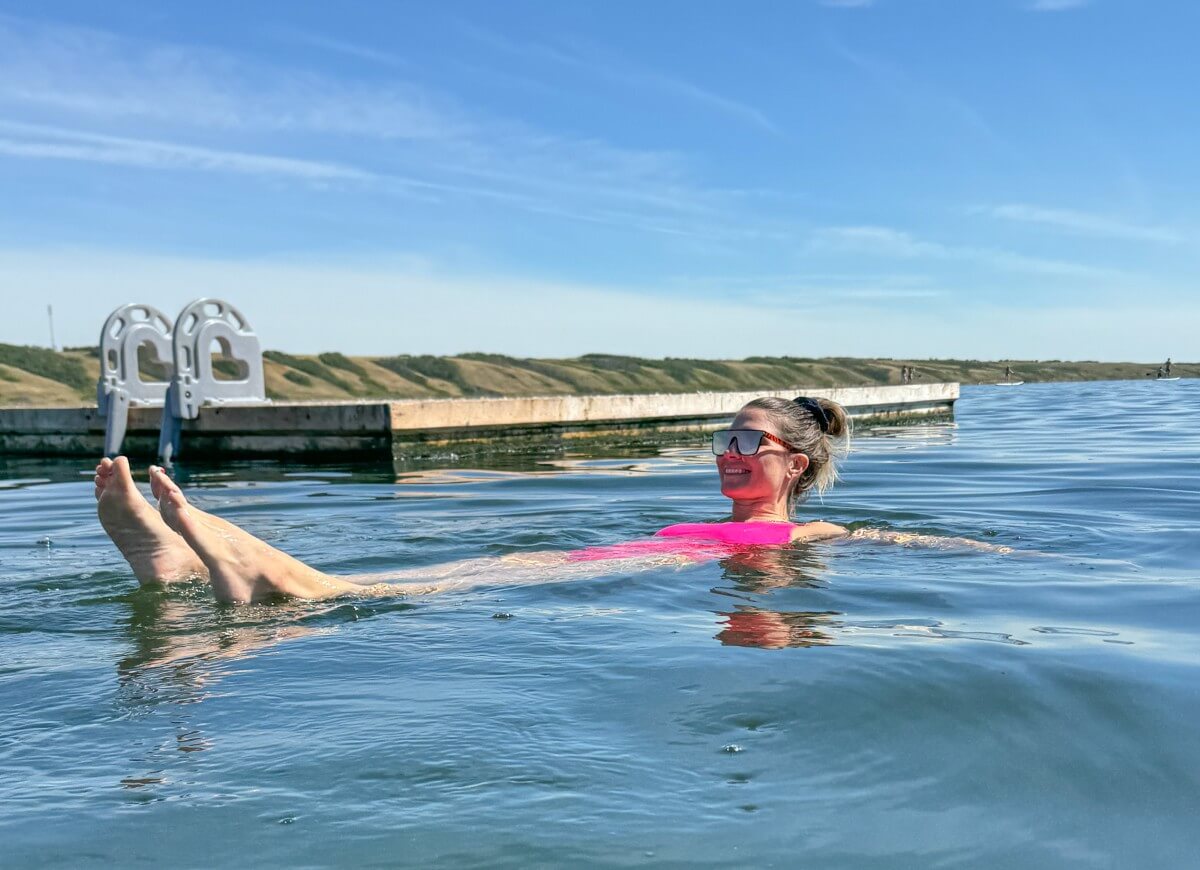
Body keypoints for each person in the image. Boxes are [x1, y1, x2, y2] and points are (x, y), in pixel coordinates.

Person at [95, 394, 1005, 605]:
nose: (728, 454)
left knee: (453, 582)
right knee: (498, 565)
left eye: (748, 443)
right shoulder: (692, 519)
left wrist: (1001, 556)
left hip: (597, 577)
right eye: (722, 439)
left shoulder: (814, 530)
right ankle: (182, 566)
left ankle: (296, 584)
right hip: (589, 565)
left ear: (795, 467)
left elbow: (903, 544)